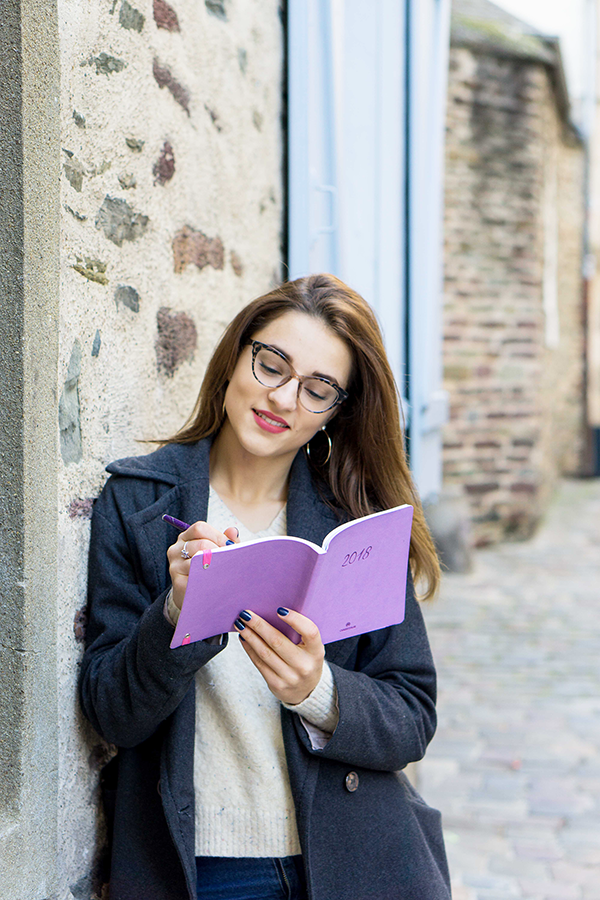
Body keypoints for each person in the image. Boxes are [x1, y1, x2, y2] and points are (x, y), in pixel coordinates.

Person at [80, 273, 451, 900]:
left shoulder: (356, 528)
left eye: (318, 389)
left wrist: (320, 691)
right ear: (235, 357)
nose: (283, 398)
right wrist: (176, 614)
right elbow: (113, 715)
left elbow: (412, 715)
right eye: (272, 364)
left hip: (347, 861)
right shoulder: (137, 503)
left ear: (337, 413)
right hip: (201, 868)